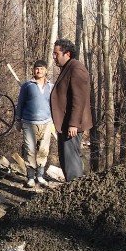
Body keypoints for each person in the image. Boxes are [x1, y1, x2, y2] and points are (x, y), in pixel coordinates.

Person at [50, 39, 93, 182]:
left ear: (67, 53)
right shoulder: (68, 68)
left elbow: (79, 99)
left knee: (71, 160)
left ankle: (75, 191)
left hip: (72, 125)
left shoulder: (76, 69)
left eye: (56, 54)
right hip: (65, 123)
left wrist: (73, 123)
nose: (54, 57)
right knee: (65, 159)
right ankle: (72, 188)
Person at [15, 60, 53, 188]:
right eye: (37, 69)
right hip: (29, 123)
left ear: (46, 70)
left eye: (41, 69)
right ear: (33, 70)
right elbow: (20, 104)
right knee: (30, 150)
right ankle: (30, 177)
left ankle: (40, 176)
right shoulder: (27, 86)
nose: (39, 71)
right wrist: (18, 120)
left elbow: (54, 105)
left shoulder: (50, 86)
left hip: (47, 123)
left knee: (43, 150)